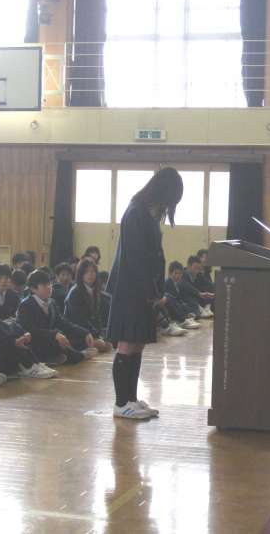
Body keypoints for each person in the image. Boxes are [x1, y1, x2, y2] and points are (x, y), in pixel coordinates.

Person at [106, 167, 183, 419]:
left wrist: (156, 290)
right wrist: (152, 293)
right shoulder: (136, 213)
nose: (169, 207)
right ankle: (120, 404)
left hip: (141, 289)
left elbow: (153, 257)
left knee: (137, 344)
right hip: (130, 289)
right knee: (127, 344)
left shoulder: (146, 212)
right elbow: (136, 259)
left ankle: (131, 398)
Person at [16, 269, 96, 366]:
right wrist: (54, 334)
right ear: (33, 288)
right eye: (44, 285)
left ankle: (61, 356)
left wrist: (85, 332)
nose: (49, 288)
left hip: (51, 339)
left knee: (74, 337)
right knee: (56, 342)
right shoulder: (26, 305)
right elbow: (30, 330)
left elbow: (62, 323)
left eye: (50, 284)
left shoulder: (52, 303)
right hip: (36, 342)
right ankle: (77, 355)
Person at [64, 258, 112, 352]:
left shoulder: (94, 290)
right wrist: (95, 335)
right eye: (87, 272)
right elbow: (79, 320)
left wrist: (100, 334)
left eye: (93, 271)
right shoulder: (75, 292)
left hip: (90, 331)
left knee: (110, 343)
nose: (91, 274)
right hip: (77, 333)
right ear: (80, 274)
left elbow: (97, 317)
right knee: (102, 345)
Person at [164, 261, 200, 330]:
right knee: (176, 303)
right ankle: (182, 320)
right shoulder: (167, 283)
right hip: (170, 308)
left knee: (190, 307)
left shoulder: (177, 284)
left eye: (180, 274)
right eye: (176, 273)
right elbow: (172, 301)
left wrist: (187, 310)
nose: (178, 276)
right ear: (170, 273)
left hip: (176, 306)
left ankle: (186, 317)